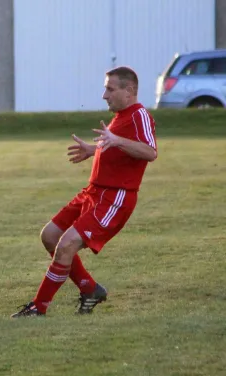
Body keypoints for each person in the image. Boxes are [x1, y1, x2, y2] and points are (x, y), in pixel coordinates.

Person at [11, 66, 157, 318]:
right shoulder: (121, 115)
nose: (104, 95)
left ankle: (39, 306)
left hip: (115, 198)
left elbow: (150, 151)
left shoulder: (139, 114)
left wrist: (117, 141)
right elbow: (118, 146)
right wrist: (95, 150)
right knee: (50, 235)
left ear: (129, 90)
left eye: (110, 89)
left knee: (66, 245)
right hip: (93, 192)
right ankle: (90, 288)